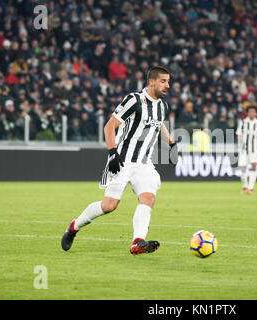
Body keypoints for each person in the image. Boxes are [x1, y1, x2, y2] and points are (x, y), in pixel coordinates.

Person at [61, 66, 178, 255]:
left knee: (148, 198)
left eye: (168, 81)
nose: (168, 85)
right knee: (109, 206)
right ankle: (74, 226)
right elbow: (110, 126)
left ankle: (137, 241)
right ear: (151, 82)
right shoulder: (134, 100)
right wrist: (112, 152)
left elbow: (159, 124)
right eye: (163, 81)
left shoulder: (162, 105)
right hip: (122, 160)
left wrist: (171, 143)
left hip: (144, 164)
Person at [236, 106, 257, 195]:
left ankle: (250, 188)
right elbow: (238, 134)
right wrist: (240, 142)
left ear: (256, 113)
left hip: (254, 149)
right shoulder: (243, 122)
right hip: (243, 149)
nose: (252, 113)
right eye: (250, 111)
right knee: (243, 168)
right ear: (247, 113)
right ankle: (244, 187)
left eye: (253, 112)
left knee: (254, 167)